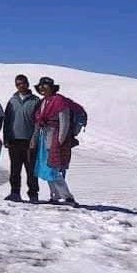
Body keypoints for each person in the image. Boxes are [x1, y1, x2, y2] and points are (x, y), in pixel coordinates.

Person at [30, 76, 78, 207]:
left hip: (54, 138)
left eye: (45, 86)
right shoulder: (43, 102)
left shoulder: (59, 101)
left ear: (51, 87)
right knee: (46, 168)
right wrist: (34, 139)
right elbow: (38, 122)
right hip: (44, 138)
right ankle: (54, 195)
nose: (42, 89)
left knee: (54, 169)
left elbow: (64, 121)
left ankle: (67, 197)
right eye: (40, 86)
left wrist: (60, 140)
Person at [2, 74, 41, 203]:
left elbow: (38, 122)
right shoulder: (12, 100)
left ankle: (33, 194)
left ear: (27, 84)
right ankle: (15, 193)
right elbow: (7, 120)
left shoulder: (35, 100)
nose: (21, 85)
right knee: (15, 169)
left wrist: (34, 139)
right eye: (18, 84)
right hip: (14, 141)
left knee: (31, 170)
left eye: (23, 83)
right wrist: (6, 137)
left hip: (29, 141)